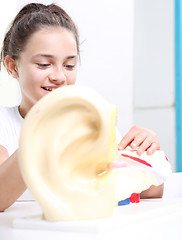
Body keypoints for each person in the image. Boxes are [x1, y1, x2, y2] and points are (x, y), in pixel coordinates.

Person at [0, 3, 161, 212]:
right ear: (13, 66)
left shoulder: (94, 125)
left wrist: (143, 155)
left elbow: (152, 192)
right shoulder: (4, 123)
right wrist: (43, 130)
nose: (59, 76)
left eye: (69, 65)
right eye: (43, 64)